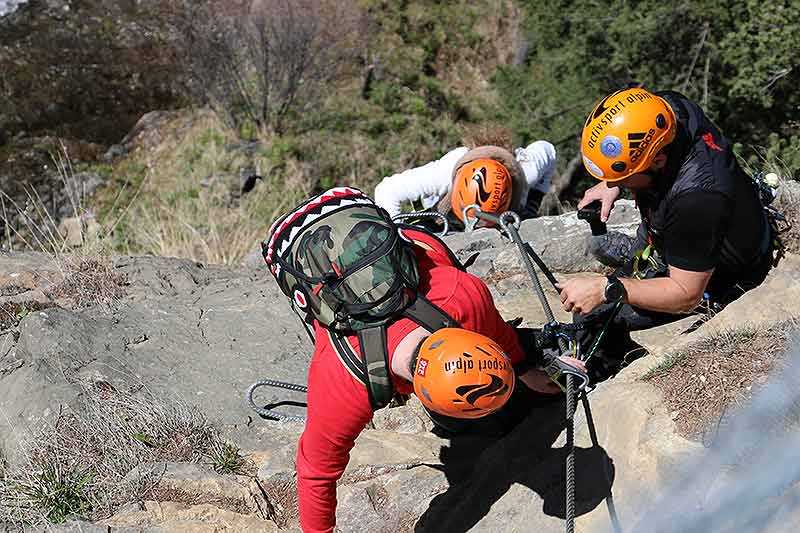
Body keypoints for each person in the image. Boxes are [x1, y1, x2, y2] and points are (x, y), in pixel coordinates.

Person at [263, 187, 582, 533]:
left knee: (477, 420)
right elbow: (316, 472)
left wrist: (521, 369)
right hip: (294, 242)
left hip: (397, 243)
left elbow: (499, 335)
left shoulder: (464, 296)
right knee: (464, 424)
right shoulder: (342, 377)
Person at [556, 87, 777, 378]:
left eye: (622, 177)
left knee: (595, 314)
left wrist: (607, 289)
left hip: (725, 271)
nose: (616, 182)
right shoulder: (665, 110)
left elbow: (685, 294)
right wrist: (612, 183)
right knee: (596, 307)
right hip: (692, 233)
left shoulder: (697, 199)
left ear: (658, 161)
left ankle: (616, 368)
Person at [374, 139, 556, 222]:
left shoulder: (525, 172)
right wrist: (399, 238)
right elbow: (387, 190)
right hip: (435, 212)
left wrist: (533, 203)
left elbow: (548, 149)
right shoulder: (442, 174)